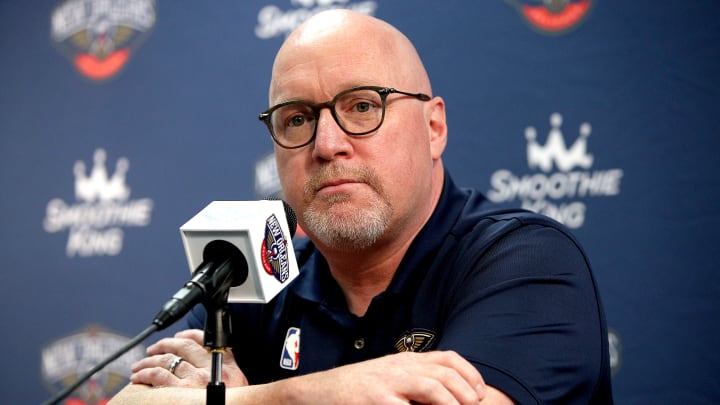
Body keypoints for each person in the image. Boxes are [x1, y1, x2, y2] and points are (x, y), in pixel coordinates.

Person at [109, 9, 612, 404]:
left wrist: (235, 398)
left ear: (432, 128)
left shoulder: (525, 260)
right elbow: (131, 402)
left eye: (363, 106)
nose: (326, 144)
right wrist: (306, 394)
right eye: (298, 119)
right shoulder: (254, 278)